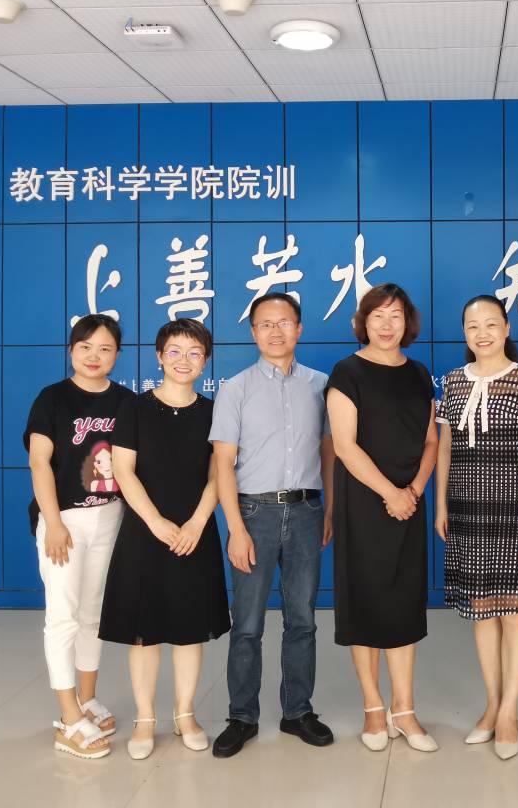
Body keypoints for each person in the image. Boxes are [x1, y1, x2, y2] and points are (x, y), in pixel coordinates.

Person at [209, 292, 336, 758]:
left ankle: (297, 711)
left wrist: (328, 510)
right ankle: (242, 717)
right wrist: (236, 529)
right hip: (254, 515)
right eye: (265, 324)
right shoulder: (236, 389)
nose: (275, 331)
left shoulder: (320, 385)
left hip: (306, 513)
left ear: (299, 329)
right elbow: (223, 464)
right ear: (253, 332)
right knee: (247, 623)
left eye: (284, 323)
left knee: (303, 619)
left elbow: (328, 453)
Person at [98, 317, 229, 760]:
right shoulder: (134, 408)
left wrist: (197, 522)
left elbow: (218, 473)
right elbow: (123, 470)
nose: (183, 360)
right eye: (174, 351)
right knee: (144, 631)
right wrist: (154, 521)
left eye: (194, 353)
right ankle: (144, 719)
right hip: (144, 530)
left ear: (205, 361)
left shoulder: (214, 412)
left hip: (195, 532)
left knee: (190, 630)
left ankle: (185, 714)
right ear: (159, 356)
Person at [434, 295, 518, 761]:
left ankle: (510, 712)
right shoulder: (453, 381)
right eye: (472, 326)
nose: (481, 333)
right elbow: (444, 449)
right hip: (466, 511)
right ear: (465, 332)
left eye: (490, 324)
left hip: (514, 512)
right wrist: (441, 505)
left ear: (505, 328)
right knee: (482, 612)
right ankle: (491, 705)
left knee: (514, 613)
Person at [325, 283, 439, 753]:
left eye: (395, 315)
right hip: (365, 502)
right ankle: (373, 707)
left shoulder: (419, 373)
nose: (387, 324)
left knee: (404, 602)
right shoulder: (347, 372)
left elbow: (431, 441)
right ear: (364, 322)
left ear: (406, 321)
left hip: (409, 502)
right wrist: (390, 492)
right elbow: (344, 445)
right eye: (378, 315)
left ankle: (404, 709)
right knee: (366, 600)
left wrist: (413, 491)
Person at [24, 313, 134, 759]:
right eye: (86, 346)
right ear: (71, 350)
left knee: (93, 615)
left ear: (117, 355)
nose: (94, 356)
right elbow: (39, 463)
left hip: (110, 518)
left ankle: (87, 700)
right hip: (66, 520)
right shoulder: (52, 399)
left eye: (105, 348)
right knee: (63, 618)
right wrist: (53, 523)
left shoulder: (126, 402)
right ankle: (68, 719)